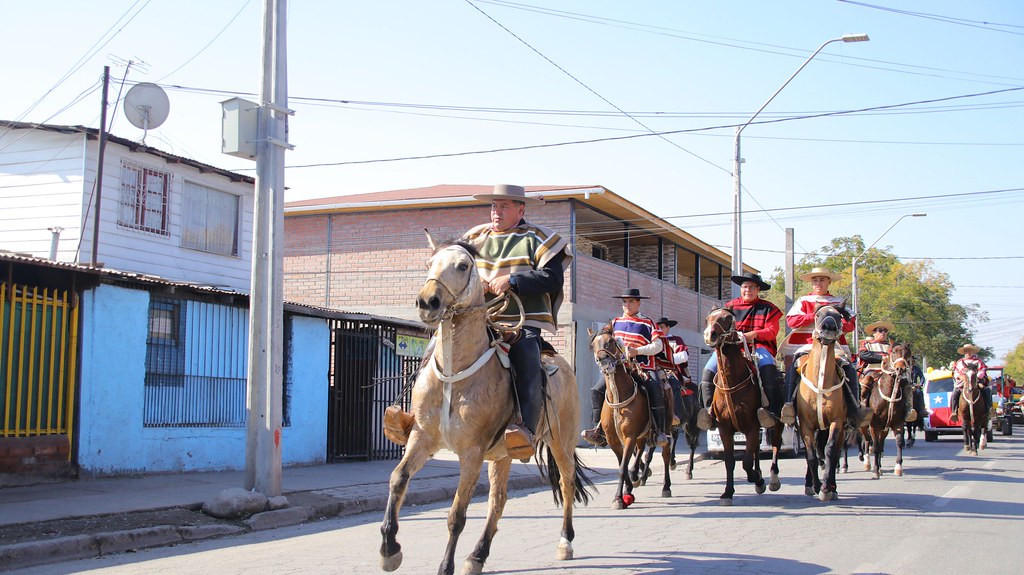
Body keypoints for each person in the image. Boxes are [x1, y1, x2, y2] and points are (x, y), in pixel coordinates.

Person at [383, 184, 572, 461]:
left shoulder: (540, 238)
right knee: (434, 346)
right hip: (476, 316)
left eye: (504, 206)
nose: (497, 211)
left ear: (521, 208)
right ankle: (414, 415)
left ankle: (524, 429)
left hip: (519, 321)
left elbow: (553, 278)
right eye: (494, 206)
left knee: (527, 358)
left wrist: (513, 281)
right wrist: (476, 283)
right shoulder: (474, 236)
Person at [779, 267, 870, 427]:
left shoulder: (838, 302)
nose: (818, 283)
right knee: (794, 368)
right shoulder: (803, 300)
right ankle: (788, 406)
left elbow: (851, 325)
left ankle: (855, 409)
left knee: (849, 369)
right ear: (811, 283)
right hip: (807, 346)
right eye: (815, 280)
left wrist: (833, 320)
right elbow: (791, 321)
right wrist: (814, 315)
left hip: (834, 347)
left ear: (829, 282)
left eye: (822, 280)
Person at [581, 288, 671, 448]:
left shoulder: (648, 323)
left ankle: (658, 431)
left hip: (643, 367)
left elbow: (658, 346)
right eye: (624, 301)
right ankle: (598, 430)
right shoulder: (614, 323)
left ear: (638, 303)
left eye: (631, 301)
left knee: (655, 388)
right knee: (596, 390)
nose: (627, 305)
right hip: (619, 368)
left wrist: (638, 351)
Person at [696, 271, 783, 431]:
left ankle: (771, 410)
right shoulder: (730, 307)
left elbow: (772, 330)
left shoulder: (768, 308)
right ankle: (709, 411)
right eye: (744, 287)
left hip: (759, 347)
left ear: (758, 289)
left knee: (767, 367)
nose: (747, 290)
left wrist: (753, 335)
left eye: (751, 287)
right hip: (731, 348)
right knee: (708, 370)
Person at [857, 320, 917, 421]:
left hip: (890, 372)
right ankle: (862, 406)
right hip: (873, 370)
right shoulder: (867, 344)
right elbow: (863, 355)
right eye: (880, 330)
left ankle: (908, 408)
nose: (883, 333)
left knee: (906, 384)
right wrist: (882, 358)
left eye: (885, 331)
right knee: (865, 383)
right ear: (874, 332)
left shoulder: (891, 347)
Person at [654, 317, 697, 425]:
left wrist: (665, 360)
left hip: (671, 371)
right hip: (654, 369)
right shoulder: (653, 341)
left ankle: (676, 414)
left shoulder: (676, 340)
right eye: (657, 328)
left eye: (662, 327)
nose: (659, 329)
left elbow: (683, 356)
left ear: (668, 328)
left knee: (673, 383)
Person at [949, 343, 994, 422]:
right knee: (955, 393)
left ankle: (989, 409)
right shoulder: (960, 362)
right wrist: (962, 377)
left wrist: (975, 377)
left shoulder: (978, 361)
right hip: (963, 383)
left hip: (976, 381)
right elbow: (956, 372)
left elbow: (982, 371)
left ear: (973, 352)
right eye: (966, 351)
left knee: (987, 390)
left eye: (969, 351)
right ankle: (954, 412)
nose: (968, 353)